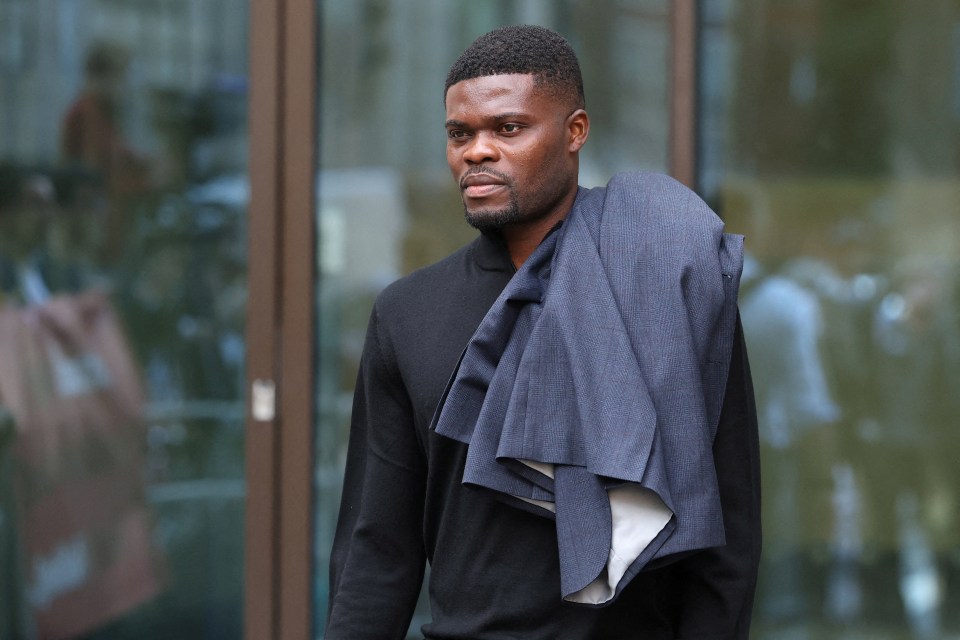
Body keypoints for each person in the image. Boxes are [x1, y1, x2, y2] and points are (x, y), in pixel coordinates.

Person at [326, 25, 760, 639]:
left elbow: (728, 529)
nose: (477, 151)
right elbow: (378, 544)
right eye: (460, 134)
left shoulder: (670, 277)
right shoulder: (407, 311)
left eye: (508, 129)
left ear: (575, 131)